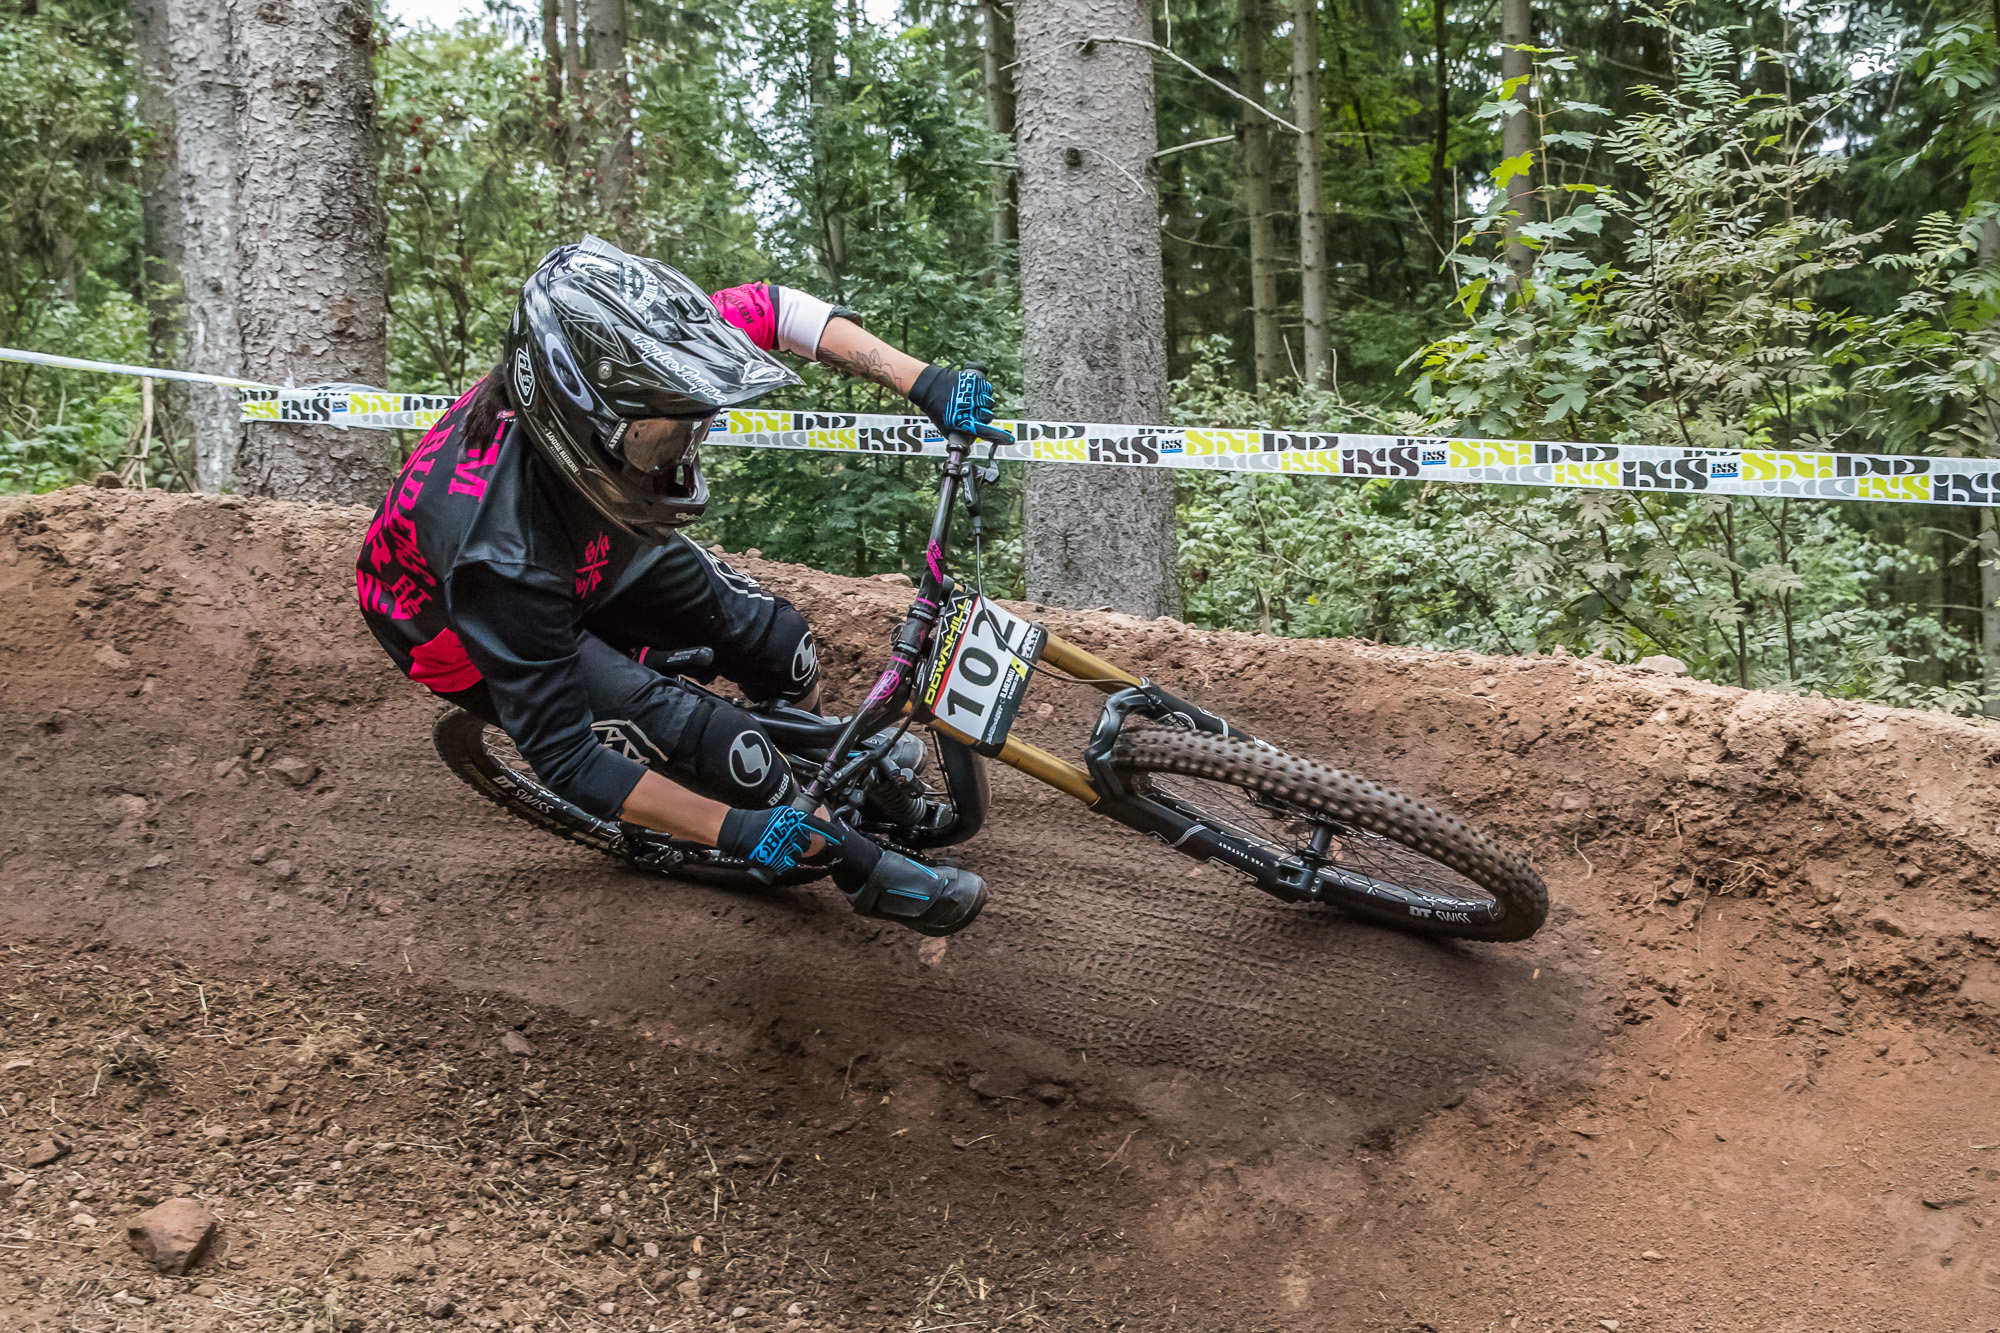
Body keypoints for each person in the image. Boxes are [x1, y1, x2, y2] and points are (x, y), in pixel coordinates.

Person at [355, 235, 1011, 936]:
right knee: (731, 752)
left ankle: (819, 771)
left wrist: (926, 382)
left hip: (589, 543)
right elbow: (567, 757)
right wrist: (736, 829)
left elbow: (778, 310)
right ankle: (851, 862)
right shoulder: (498, 554)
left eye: (687, 426)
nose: (678, 454)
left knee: (780, 642)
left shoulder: (627, 351)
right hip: (462, 625)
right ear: (576, 421)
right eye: (658, 437)